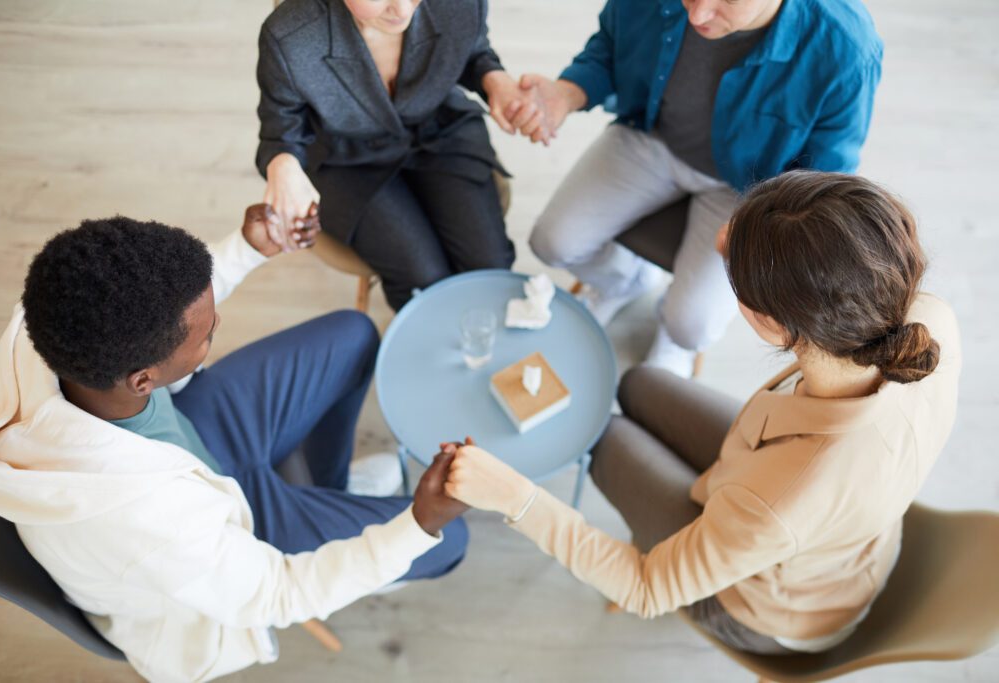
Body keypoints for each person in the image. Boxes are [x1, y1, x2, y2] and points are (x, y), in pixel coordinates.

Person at [444, 172, 961, 655]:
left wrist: (516, 498)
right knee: (639, 383)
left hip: (764, 603)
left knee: (602, 441)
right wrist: (760, 243)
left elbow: (646, 588)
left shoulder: (781, 497)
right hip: (822, 520)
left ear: (771, 326)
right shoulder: (926, 319)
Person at [0, 205, 469, 682]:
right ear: (143, 379)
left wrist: (245, 249)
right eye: (208, 336)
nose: (216, 329)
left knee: (355, 337)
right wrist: (419, 524)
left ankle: (327, 490)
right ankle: (331, 513)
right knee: (449, 540)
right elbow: (280, 592)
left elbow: (164, 308)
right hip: (223, 532)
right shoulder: (155, 525)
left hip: (195, 442)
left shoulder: (52, 315)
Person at [518, 0, 883, 376]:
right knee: (551, 242)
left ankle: (673, 340)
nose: (696, 16)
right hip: (653, 137)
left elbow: (823, 177)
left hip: (752, 189)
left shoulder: (848, 48)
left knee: (691, 327)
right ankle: (624, 280)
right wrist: (567, 91)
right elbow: (608, 48)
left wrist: (762, 229)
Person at [257, 0, 541, 310]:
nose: (403, 11)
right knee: (422, 279)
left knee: (490, 267)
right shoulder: (289, 35)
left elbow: (472, 49)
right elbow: (282, 127)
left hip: (439, 130)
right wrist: (283, 163)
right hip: (345, 157)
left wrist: (491, 77)